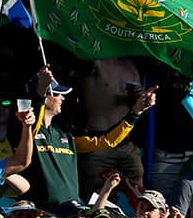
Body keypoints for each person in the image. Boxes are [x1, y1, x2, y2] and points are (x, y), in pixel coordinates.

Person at [24, 64, 157, 209]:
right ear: (44, 97)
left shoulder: (66, 135)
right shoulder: (27, 131)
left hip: (71, 212)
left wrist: (136, 112)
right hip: (41, 212)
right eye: (56, 94)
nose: (62, 97)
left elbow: (108, 141)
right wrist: (40, 92)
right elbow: (32, 122)